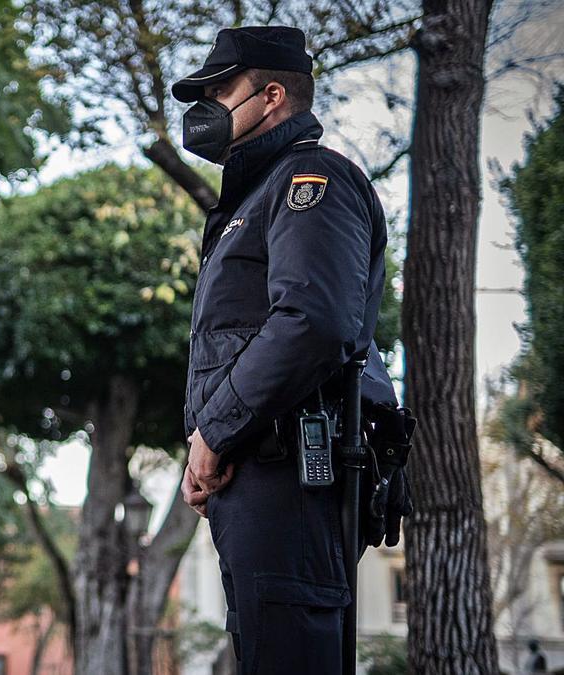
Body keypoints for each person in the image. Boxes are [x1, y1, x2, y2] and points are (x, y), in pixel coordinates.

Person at [173, 26, 404, 673]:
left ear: (272, 95)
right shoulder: (254, 200)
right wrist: (205, 446)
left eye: (222, 89)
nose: (207, 106)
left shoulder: (310, 179)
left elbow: (315, 320)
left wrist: (212, 434)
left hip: (293, 477)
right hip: (261, 479)